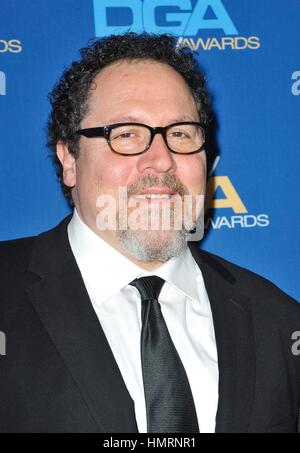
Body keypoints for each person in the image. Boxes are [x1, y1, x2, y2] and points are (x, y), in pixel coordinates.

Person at [0, 33, 299, 434]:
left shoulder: (279, 321)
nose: (161, 160)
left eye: (180, 134)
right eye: (126, 134)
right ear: (69, 159)